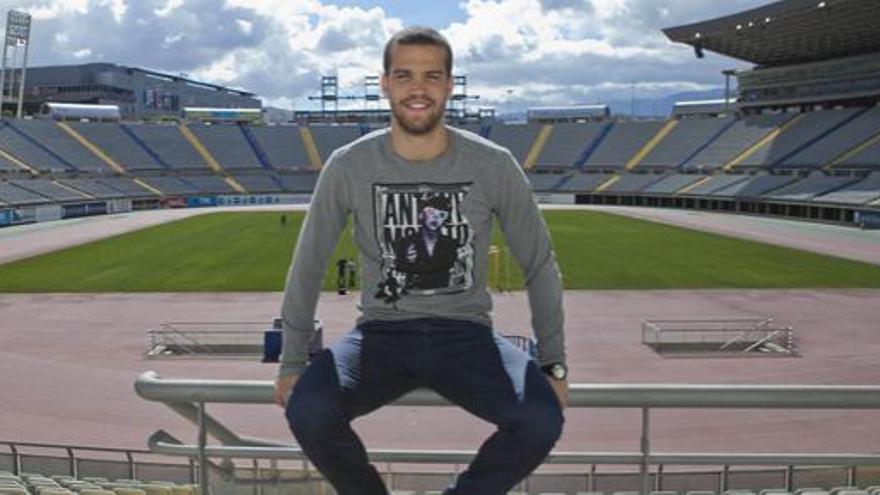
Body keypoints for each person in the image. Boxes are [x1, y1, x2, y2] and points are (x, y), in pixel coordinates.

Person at [274, 26, 568, 495]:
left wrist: (554, 364)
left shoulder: (493, 164)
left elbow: (540, 263)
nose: (418, 89)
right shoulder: (350, 165)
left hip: (468, 336)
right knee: (308, 410)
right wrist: (291, 361)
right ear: (385, 84)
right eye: (404, 75)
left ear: (450, 84)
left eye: (432, 76)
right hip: (380, 336)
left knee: (540, 420)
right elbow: (309, 263)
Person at [390, 194, 458, 291]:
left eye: (441, 215)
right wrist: (408, 262)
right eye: (431, 212)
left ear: (446, 219)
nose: (435, 218)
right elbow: (398, 272)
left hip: (444, 294)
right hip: (412, 295)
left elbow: (455, 272)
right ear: (421, 214)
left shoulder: (452, 243)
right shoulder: (404, 243)